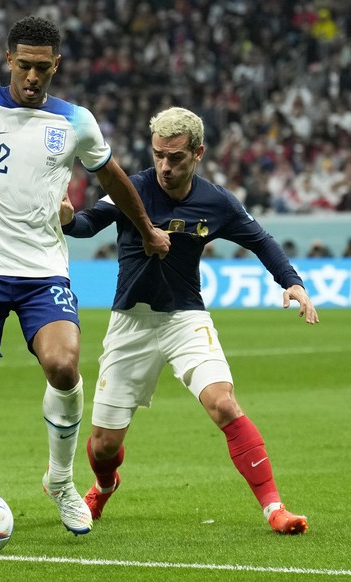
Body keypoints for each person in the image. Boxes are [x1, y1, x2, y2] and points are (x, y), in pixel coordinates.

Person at [0, 16, 169, 549]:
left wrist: (150, 231)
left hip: (43, 272)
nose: (33, 76)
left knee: (64, 367)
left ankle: (60, 481)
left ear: (56, 65)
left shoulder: (76, 122)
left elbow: (113, 179)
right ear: (8, 60)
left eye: (44, 67)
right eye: (25, 66)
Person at [60, 106, 319, 535]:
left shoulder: (216, 201)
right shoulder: (133, 187)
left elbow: (261, 240)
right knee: (104, 446)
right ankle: (105, 485)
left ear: (198, 153)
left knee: (223, 402)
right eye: (159, 154)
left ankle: (274, 508)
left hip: (185, 319)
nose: (164, 165)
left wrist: (292, 282)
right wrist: (69, 218)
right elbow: (88, 224)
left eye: (176, 157)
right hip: (131, 324)